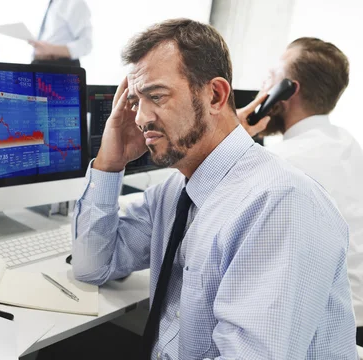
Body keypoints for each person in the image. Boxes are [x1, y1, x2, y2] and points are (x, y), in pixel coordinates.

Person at [72, 18, 357, 359]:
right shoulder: (175, 192)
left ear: (216, 95)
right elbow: (92, 265)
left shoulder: (281, 204)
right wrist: (109, 163)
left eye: (156, 97)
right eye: (135, 102)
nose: (140, 118)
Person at [239, 37, 363, 346]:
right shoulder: (347, 144)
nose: (263, 85)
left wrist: (233, 139)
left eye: (272, 76)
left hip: (316, 334)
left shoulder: (280, 164)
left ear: (288, 90)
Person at [29, 0, 92, 67]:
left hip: (61, 66)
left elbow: (86, 44)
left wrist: (52, 50)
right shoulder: (52, 4)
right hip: (41, 64)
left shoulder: (74, 2)